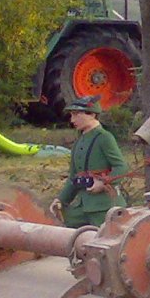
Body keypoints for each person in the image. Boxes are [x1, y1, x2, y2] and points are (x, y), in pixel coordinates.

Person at [53, 96, 129, 229]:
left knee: (105, 236)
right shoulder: (79, 141)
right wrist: (61, 199)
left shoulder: (104, 137)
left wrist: (103, 183)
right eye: (71, 115)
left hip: (103, 206)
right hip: (82, 207)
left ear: (92, 115)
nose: (72, 120)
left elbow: (121, 167)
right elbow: (74, 177)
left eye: (77, 115)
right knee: (60, 228)